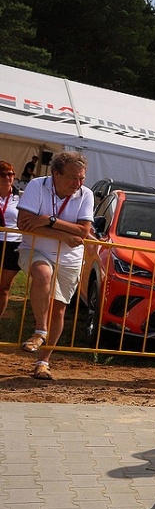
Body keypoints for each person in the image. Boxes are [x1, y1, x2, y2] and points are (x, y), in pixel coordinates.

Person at [16, 151, 94, 380]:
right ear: (56, 174)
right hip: (36, 250)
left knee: (59, 309)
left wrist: (49, 220)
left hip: (69, 258)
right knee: (42, 274)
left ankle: (43, 361)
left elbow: (84, 231)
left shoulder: (85, 194)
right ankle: (40, 331)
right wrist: (62, 235)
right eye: (72, 178)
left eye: (81, 178)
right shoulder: (37, 186)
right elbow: (23, 224)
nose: (77, 184)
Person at [0, 161, 23, 318]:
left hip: (13, 244)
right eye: (3, 174)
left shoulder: (21, 197)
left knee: (4, 287)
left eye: (10, 174)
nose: (7, 177)